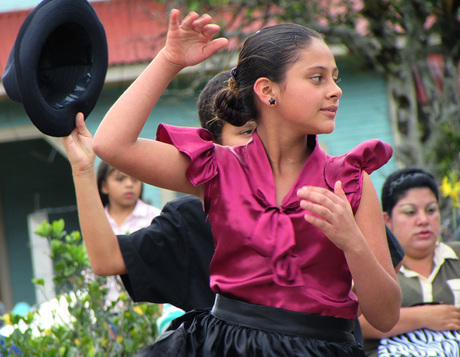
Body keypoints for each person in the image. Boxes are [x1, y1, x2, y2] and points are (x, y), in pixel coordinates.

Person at [90, 9, 400, 356]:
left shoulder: (351, 181)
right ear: (268, 91)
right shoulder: (217, 169)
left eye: (335, 78)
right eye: (317, 78)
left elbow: (385, 316)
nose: (335, 91)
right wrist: (169, 60)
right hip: (224, 346)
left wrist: (352, 242)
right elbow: (111, 145)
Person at [360, 168, 460, 356]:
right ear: (387, 220)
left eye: (431, 210)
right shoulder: (371, 265)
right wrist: (423, 317)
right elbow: (353, 322)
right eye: (410, 212)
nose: (423, 220)